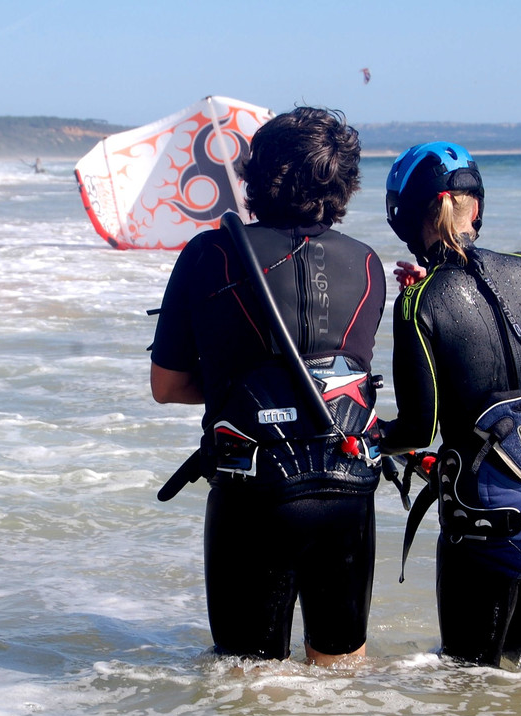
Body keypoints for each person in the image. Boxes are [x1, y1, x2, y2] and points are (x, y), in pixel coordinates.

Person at [150, 107, 388, 665]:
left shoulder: (209, 254)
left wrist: (241, 388)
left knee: (249, 685)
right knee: (340, 673)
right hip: (347, 485)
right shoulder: (369, 263)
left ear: (258, 175)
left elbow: (167, 386)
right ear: (344, 181)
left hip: (254, 494)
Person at [378, 142, 521, 668]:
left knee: (468, 680)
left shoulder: (416, 301)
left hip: (499, 518)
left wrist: (367, 433)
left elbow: (416, 430)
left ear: (406, 216)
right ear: (475, 206)